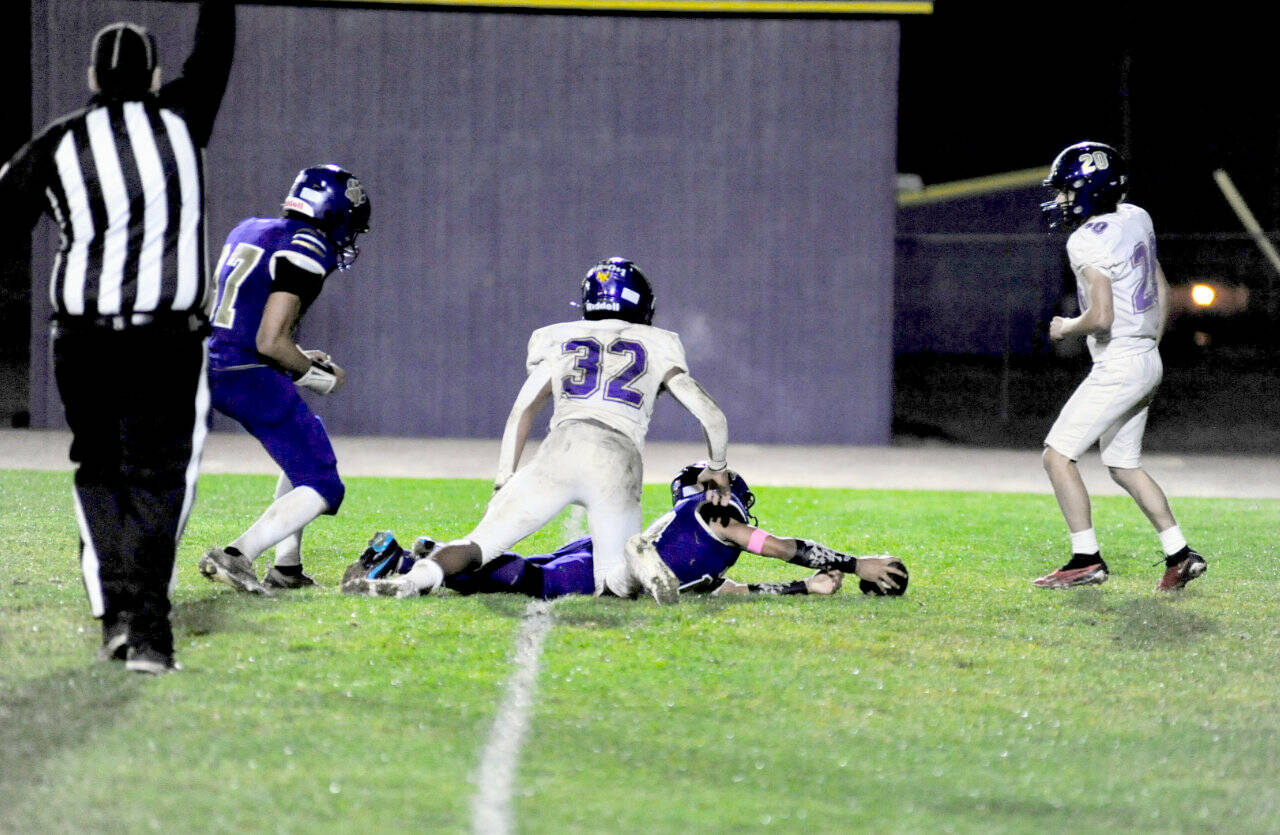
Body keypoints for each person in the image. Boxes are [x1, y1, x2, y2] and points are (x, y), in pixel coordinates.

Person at [0, 2, 235, 673]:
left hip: (83, 341)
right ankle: (151, 638)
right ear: (156, 76)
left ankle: (116, 621)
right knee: (156, 481)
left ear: (92, 78)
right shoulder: (183, 118)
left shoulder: (58, 141)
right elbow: (213, 53)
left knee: (99, 472)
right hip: (165, 339)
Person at [345, 257, 733, 600]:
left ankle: (409, 583)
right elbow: (711, 415)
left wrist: (504, 479)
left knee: (478, 544)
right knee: (614, 584)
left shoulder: (559, 338)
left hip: (561, 448)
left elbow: (523, 409)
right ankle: (635, 557)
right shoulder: (658, 344)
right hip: (617, 459)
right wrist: (716, 468)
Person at [341, 463, 908, 601]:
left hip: (617, 552)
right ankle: (400, 562)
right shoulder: (721, 521)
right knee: (532, 583)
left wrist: (801, 589)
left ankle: (419, 554)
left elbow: (721, 590)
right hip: (616, 563)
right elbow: (781, 547)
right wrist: (858, 564)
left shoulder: (712, 538)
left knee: (527, 570)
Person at [1034, 141, 1207, 592]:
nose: (1061, 199)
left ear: (1089, 191)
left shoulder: (1085, 240)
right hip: (1146, 355)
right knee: (1123, 465)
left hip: (1122, 361)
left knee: (1057, 456)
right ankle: (1180, 554)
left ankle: (1085, 559)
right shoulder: (1136, 217)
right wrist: (1148, 344)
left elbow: (1101, 316)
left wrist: (1066, 327)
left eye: (1067, 191)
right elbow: (1161, 286)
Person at [197, 165, 370, 596]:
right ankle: (237, 555)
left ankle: (286, 567)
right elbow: (271, 341)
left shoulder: (250, 229)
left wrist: (299, 357)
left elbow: (248, 317)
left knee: (306, 444)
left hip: (213, 362)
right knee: (324, 485)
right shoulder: (308, 245)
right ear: (333, 212)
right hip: (247, 372)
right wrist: (316, 375)